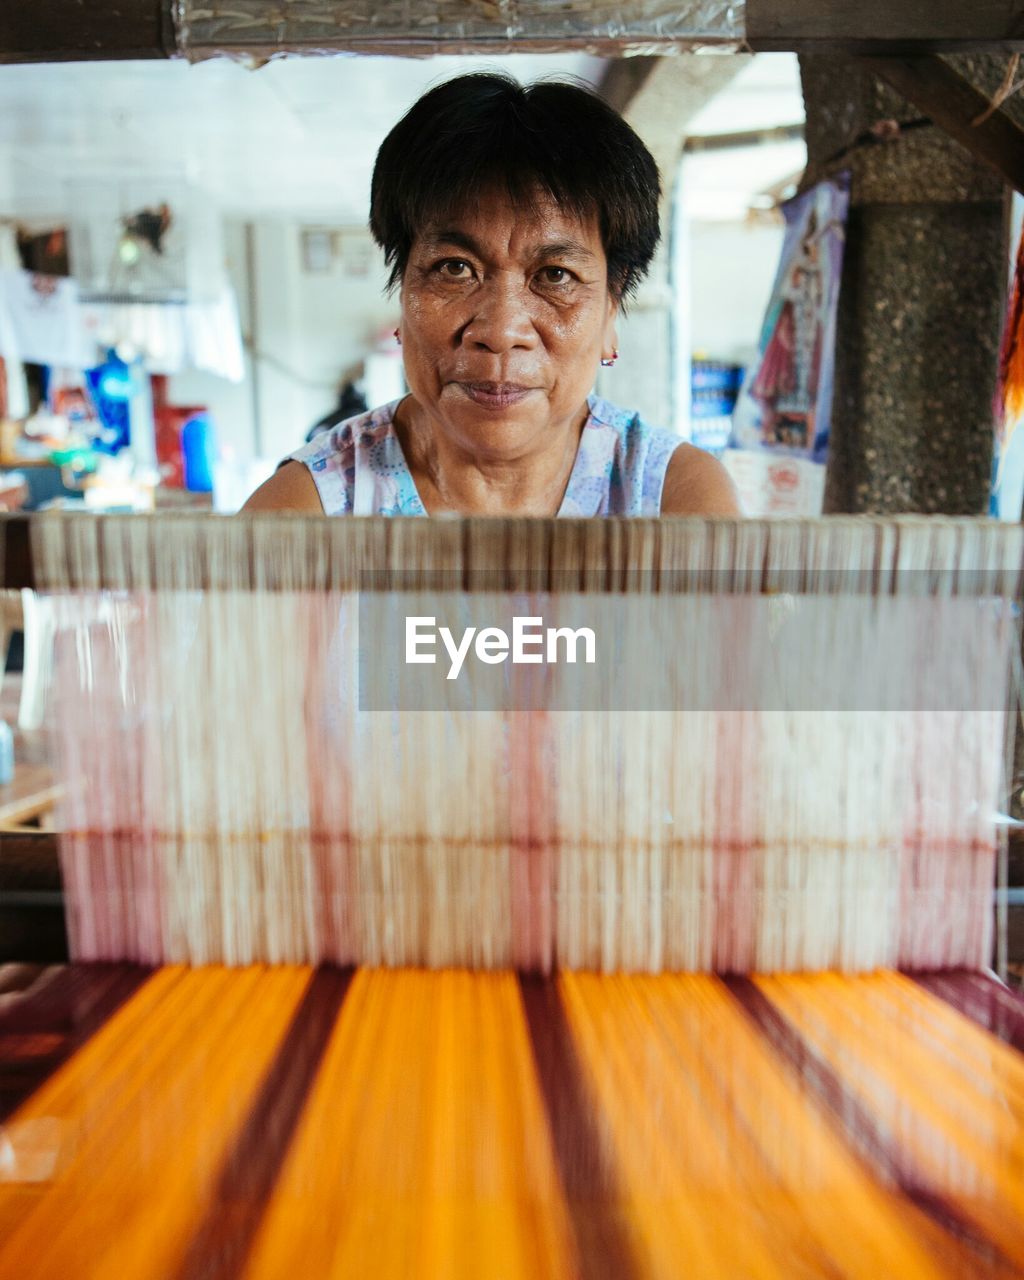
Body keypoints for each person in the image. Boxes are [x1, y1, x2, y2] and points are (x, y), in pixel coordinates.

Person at [244, 73, 740, 518]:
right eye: (455, 269)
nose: (501, 332)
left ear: (611, 311)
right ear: (402, 293)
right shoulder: (309, 512)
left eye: (555, 275)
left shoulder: (674, 500)